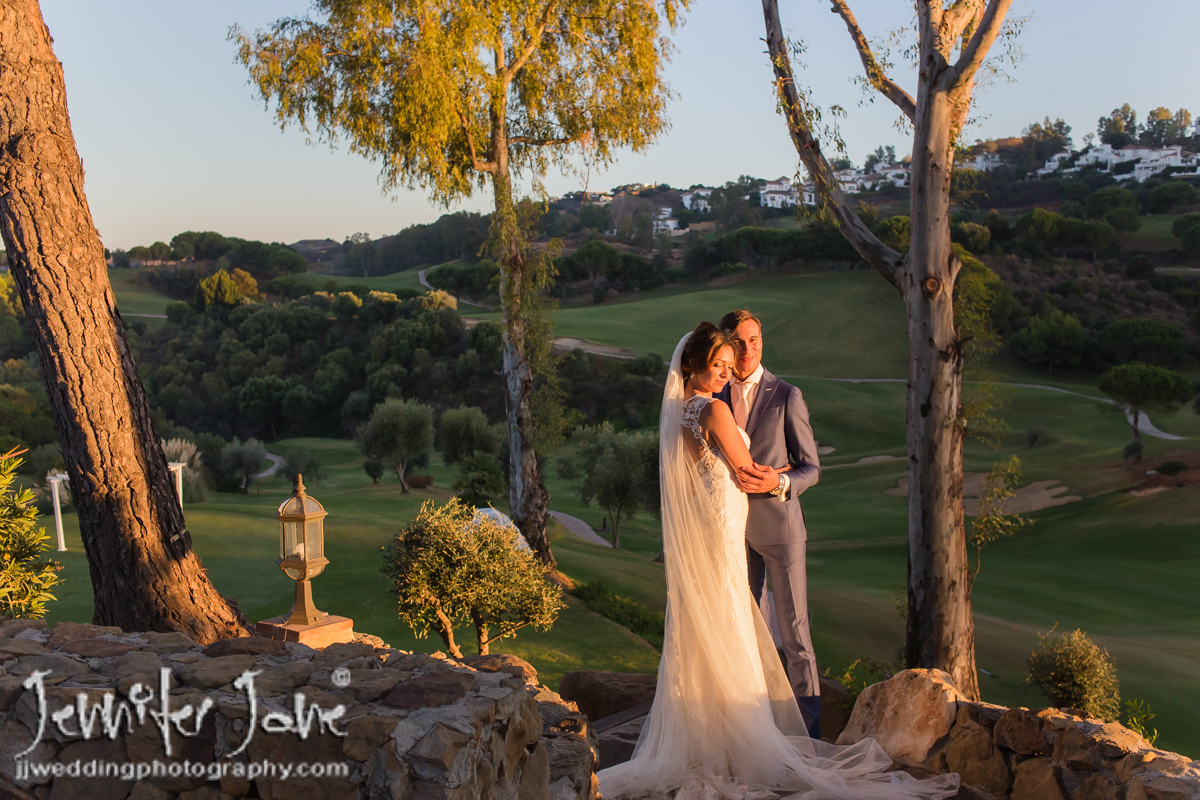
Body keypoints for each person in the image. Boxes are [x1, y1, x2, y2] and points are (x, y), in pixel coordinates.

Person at [596, 321, 958, 800]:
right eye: (718, 365)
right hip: (727, 527)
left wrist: (781, 476)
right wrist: (772, 474)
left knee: (725, 626)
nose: (726, 372)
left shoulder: (678, 410)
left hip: (718, 526)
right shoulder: (713, 409)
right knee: (735, 623)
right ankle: (745, 739)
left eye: (731, 364)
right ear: (694, 366)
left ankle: (712, 736)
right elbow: (746, 470)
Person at [716, 308, 822, 737]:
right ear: (727, 344)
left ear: (763, 341)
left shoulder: (787, 396)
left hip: (780, 528)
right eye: (739, 342)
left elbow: (811, 468)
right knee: (747, 631)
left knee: (795, 637)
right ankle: (763, 731)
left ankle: (809, 737)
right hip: (732, 530)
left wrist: (779, 479)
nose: (747, 349)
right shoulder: (714, 393)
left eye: (754, 340)